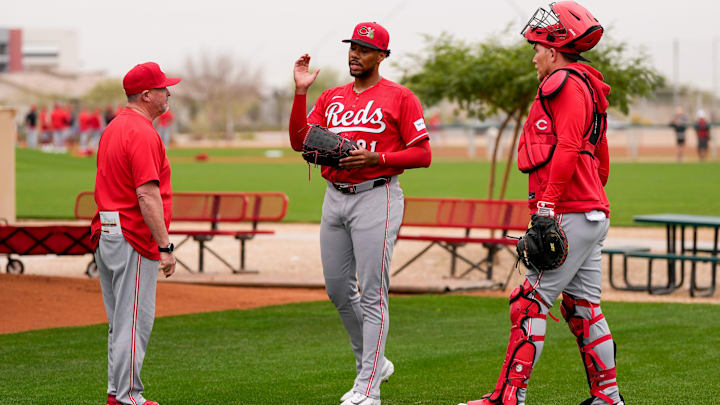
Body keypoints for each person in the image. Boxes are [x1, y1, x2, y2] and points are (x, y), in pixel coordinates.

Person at [459, 2, 624, 405]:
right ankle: (608, 398)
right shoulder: (588, 84)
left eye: (537, 49)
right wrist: (591, 204)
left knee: (528, 302)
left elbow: (568, 145)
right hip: (589, 210)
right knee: (584, 307)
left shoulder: (563, 81)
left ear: (554, 49)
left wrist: (549, 205)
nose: (534, 57)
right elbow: (600, 159)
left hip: (569, 210)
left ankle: (509, 397)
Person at [288, 22, 432, 405]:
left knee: (373, 294)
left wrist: (378, 157)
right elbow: (299, 141)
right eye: (353, 47)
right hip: (334, 196)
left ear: (382, 56)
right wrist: (301, 94)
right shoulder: (332, 97)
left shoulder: (400, 97)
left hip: (377, 196)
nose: (356, 54)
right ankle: (375, 362)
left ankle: (368, 387)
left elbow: (423, 154)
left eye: (365, 49)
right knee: (338, 289)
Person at [91, 61, 180, 405]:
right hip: (132, 235)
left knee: (119, 321)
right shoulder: (142, 132)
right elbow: (146, 194)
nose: (168, 92)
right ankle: (129, 397)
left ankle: (117, 393)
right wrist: (166, 246)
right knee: (133, 320)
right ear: (146, 95)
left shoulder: (114, 126)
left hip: (107, 230)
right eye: (162, 88)